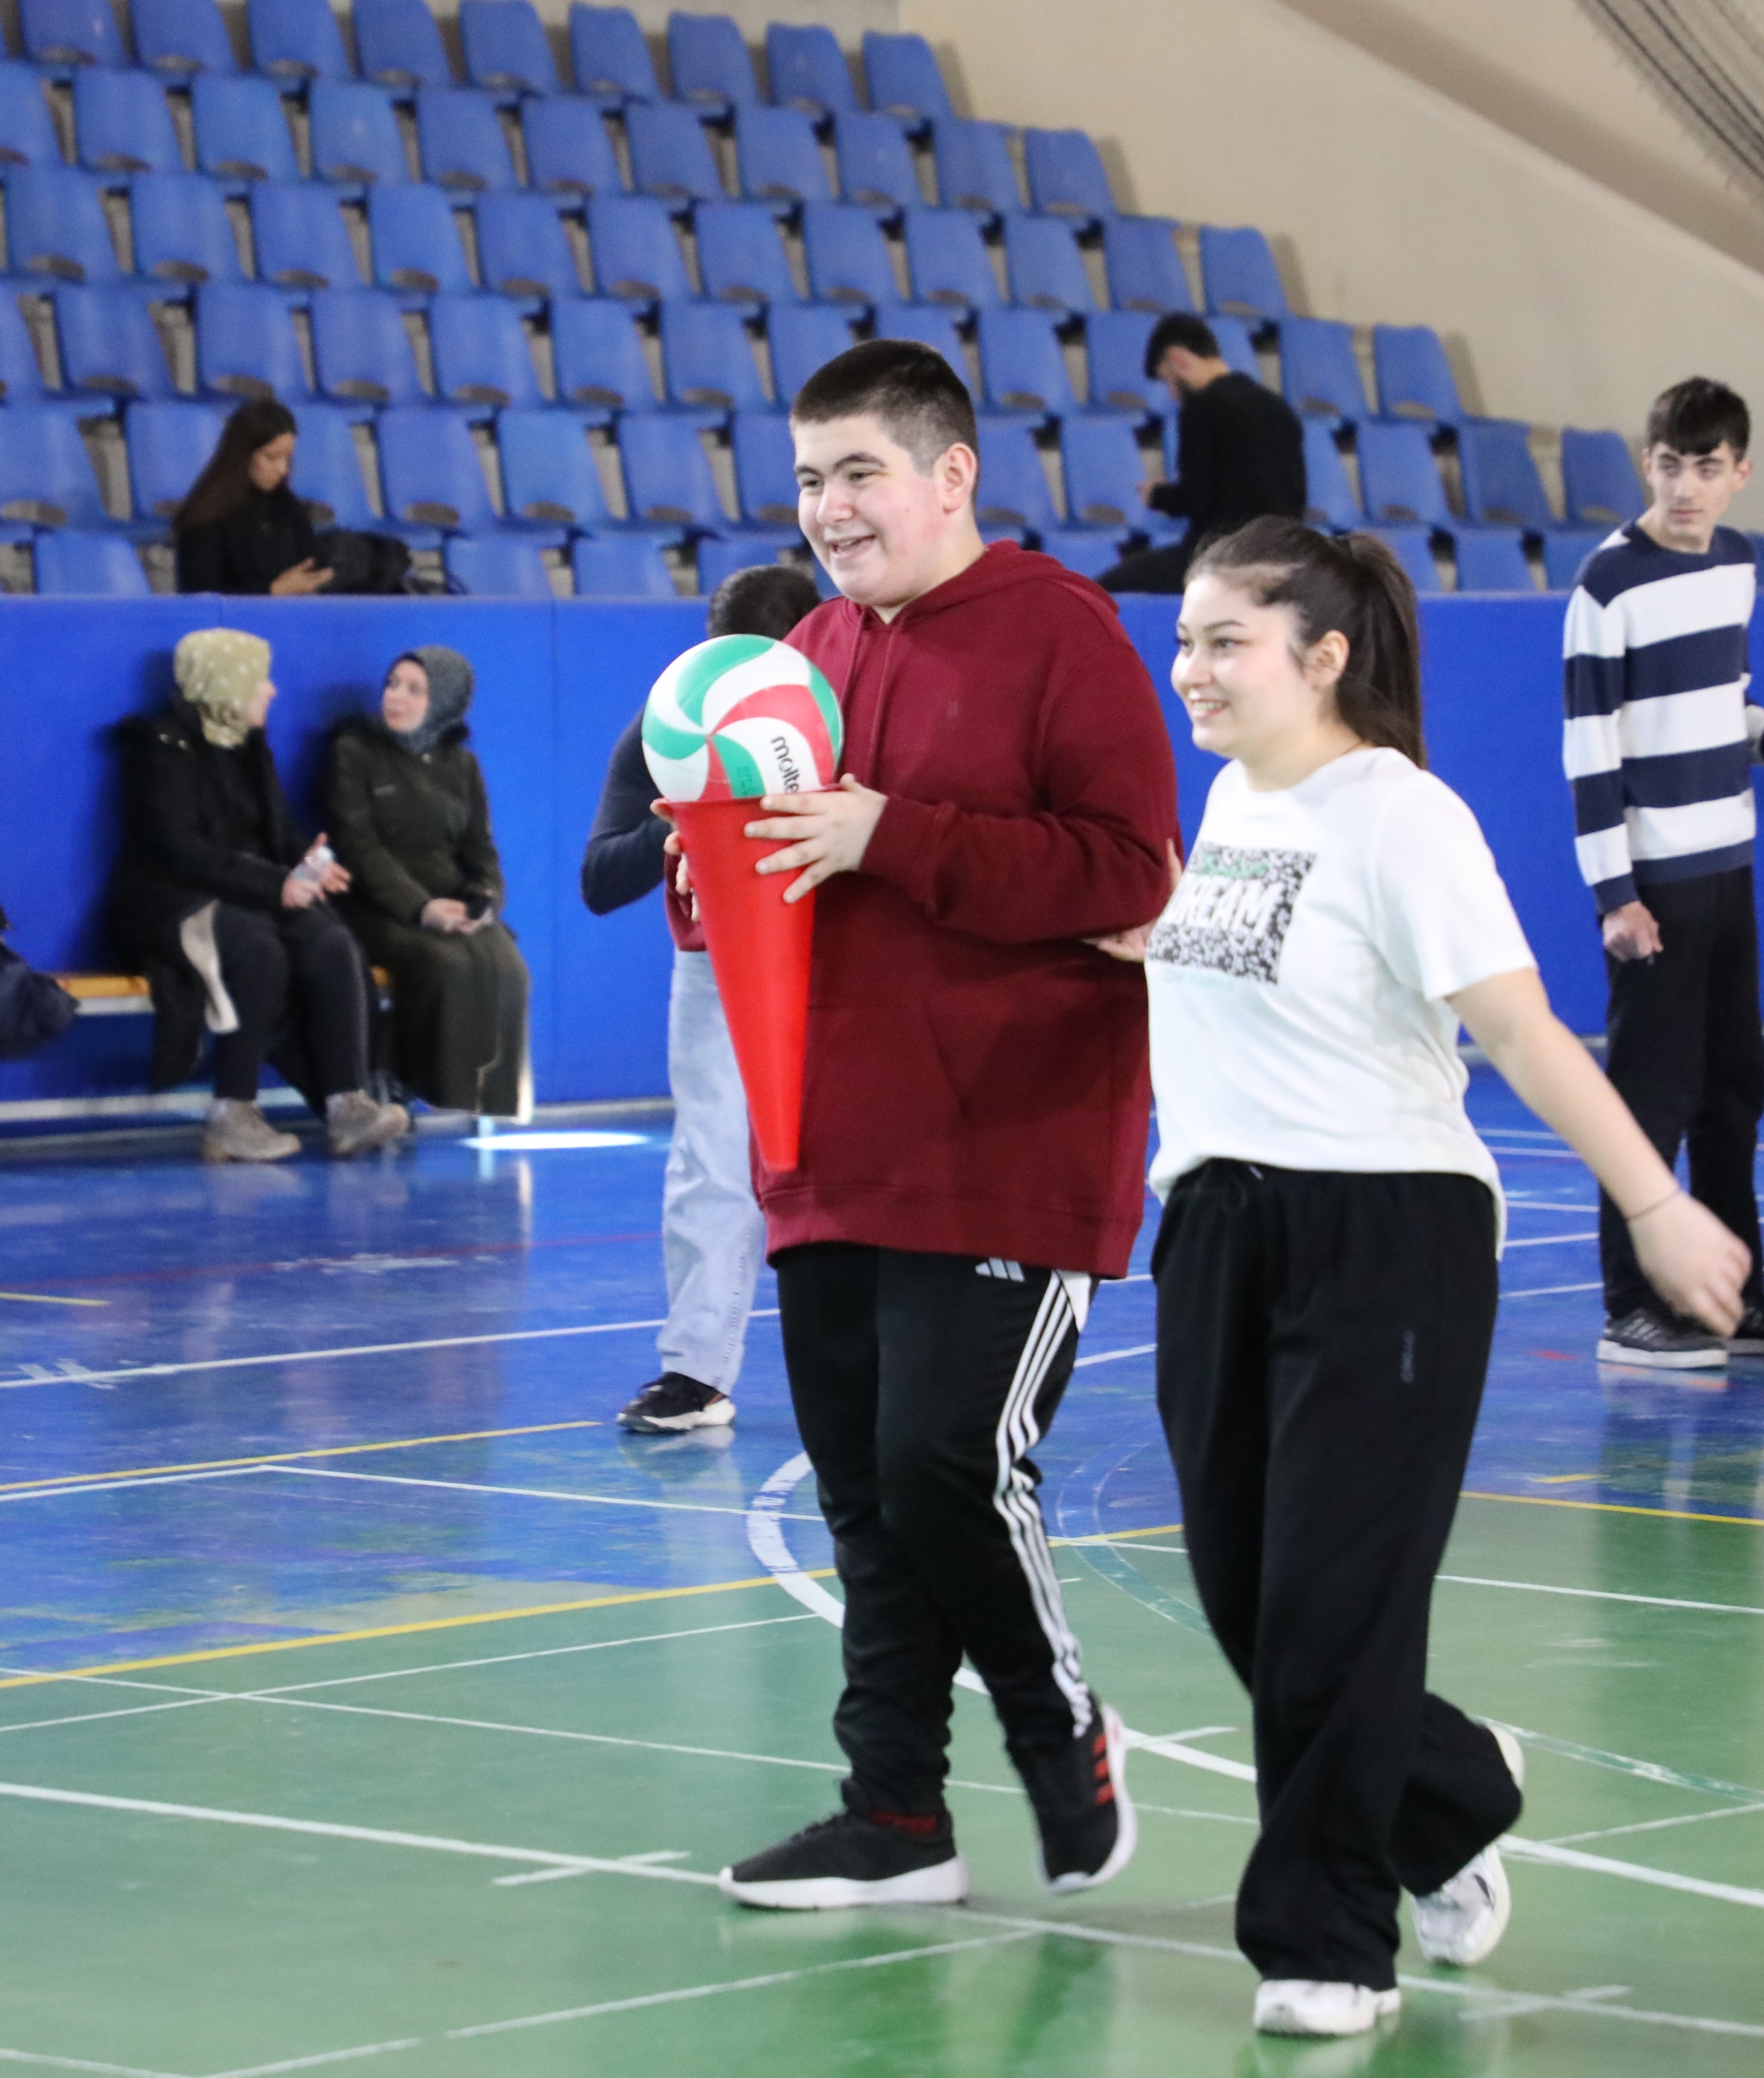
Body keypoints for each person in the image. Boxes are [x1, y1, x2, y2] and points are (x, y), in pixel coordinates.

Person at [1112, 517, 1748, 2037]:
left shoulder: (1404, 817)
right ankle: (1450, 1786)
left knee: (1331, 1605)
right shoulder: (1231, 800)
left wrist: (1655, 1201)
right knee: (1248, 1596)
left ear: (1324, 657)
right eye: (1186, 639)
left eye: (1225, 641)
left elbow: (1520, 1028)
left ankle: (1326, 1942)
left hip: (1386, 1236)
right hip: (1214, 1226)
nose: (1191, 668)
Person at [711, 340, 1180, 1912]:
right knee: (862, 1495)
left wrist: (891, 835)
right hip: (829, 1146)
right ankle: (896, 1815)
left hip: (1009, 1141)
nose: (829, 508)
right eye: (808, 479)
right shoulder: (803, 653)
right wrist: (710, 874)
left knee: (947, 1465)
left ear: (951, 473)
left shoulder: (1060, 630)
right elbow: (772, 881)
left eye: (859, 472)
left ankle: (1062, 1734)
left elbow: (1130, 871)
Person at [1561, 378, 1764, 1369]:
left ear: (1740, 474)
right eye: (1671, 465)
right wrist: (1616, 895)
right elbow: (1590, 747)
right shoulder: (1605, 585)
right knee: (1650, 1097)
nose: (1686, 486)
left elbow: (1725, 698)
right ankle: (1631, 1306)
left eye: (1707, 468)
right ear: (1648, 464)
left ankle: (1735, 1299)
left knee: (1734, 1087)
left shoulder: (1736, 564)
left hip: (1731, 865)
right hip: (1656, 883)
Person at [582, 560, 823, 1433]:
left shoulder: (847, 709)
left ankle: (885, 1354)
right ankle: (695, 1370)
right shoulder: (672, 725)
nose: (740, 687)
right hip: (718, 961)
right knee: (711, 1160)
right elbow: (599, 879)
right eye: (725, 662)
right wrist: (683, 820)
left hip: (846, 953)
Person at [108, 629, 410, 1163]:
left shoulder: (249, 743)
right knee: (258, 951)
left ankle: (347, 1104)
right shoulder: (160, 749)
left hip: (253, 892)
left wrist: (309, 862)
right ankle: (232, 1114)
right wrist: (276, 883)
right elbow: (180, 852)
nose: (271, 690)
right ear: (225, 683)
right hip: (174, 901)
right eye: (259, 679)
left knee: (332, 943)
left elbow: (276, 829)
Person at [326, 647, 530, 1119]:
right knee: (444, 965)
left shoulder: (462, 765)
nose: (396, 697)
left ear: (442, 702)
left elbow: (481, 849)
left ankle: (491, 1098)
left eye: (414, 690)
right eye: (392, 684)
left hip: (452, 900)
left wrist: (484, 901)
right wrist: (421, 908)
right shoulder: (353, 752)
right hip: (376, 902)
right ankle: (421, 1086)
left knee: (510, 969)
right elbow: (360, 848)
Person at [1096, 313, 1305, 596]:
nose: (1172, 395)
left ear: (1178, 359)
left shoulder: (1203, 407)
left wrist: (1157, 495)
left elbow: (1196, 498)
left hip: (1219, 558)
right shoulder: (1279, 408)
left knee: (1102, 591)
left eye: (1169, 381)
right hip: (1278, 561)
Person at [172, 400, 334, 596]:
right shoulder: (207, 517)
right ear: (244, 455)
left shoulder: (284, 503)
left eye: (287, 458)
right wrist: (273, 591)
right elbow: (203, 596)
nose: (283, 469)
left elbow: (311, 559)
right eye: (272, 458)